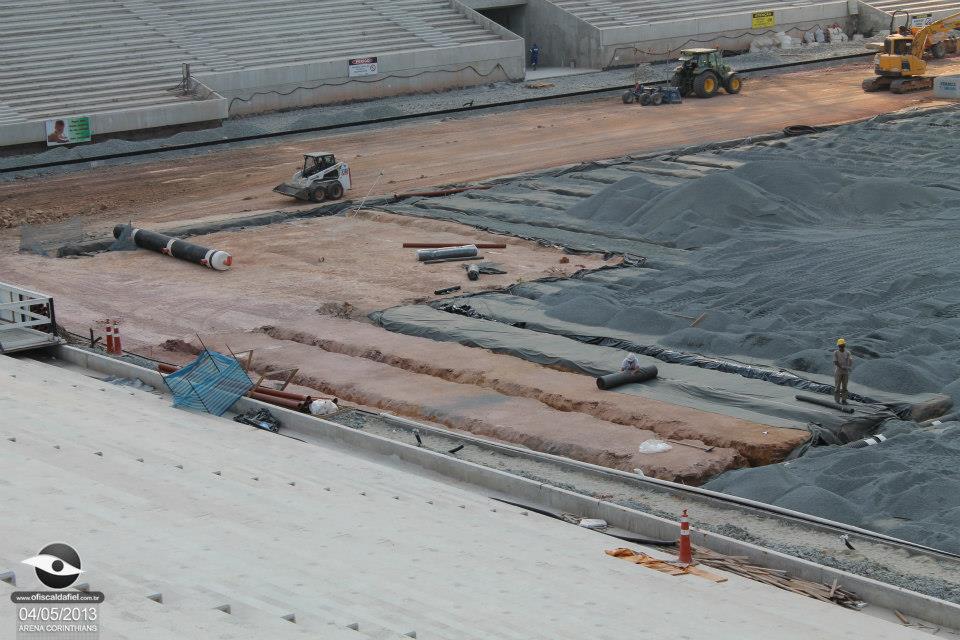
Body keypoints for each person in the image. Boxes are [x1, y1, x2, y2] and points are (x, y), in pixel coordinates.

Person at [833, 338, 853, 405]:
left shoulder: (847, 353)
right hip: (838, 371)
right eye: (840, 345)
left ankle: (844, 400)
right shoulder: (836, 352)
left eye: (842, 345)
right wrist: (841, 367)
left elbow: (850, 360)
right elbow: (835, 362)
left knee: (845, 387)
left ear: (844, 345)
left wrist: (848, 365)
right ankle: (837, 400)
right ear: (838, 346)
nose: (841, 347)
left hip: (845, 372)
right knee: (837, 386)